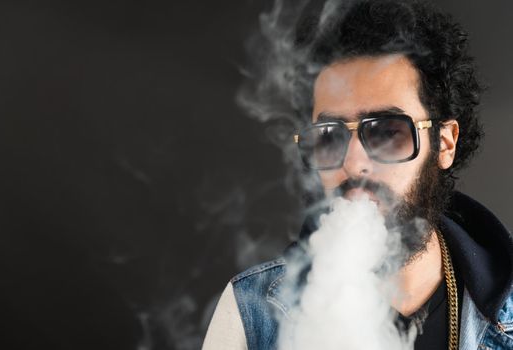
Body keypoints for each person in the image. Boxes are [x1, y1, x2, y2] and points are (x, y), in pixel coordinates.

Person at [203, 0, 513, 349]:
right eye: (330, 135)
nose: (353, 164)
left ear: (444, 143)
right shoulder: (252, 310)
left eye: (386, 132)